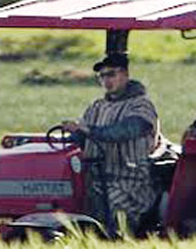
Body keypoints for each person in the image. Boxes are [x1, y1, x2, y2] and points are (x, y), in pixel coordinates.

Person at [61, 52, 159, 234]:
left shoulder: (141, 106)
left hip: (128, 180)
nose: (106, 80)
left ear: (125, 75)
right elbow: (80, 138)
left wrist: (88, 130)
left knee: (111, 209)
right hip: (93, 177)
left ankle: (118, 239)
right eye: (102, 76)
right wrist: (73, 133)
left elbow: (124, 131)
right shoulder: (97, 107)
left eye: (111, 74)